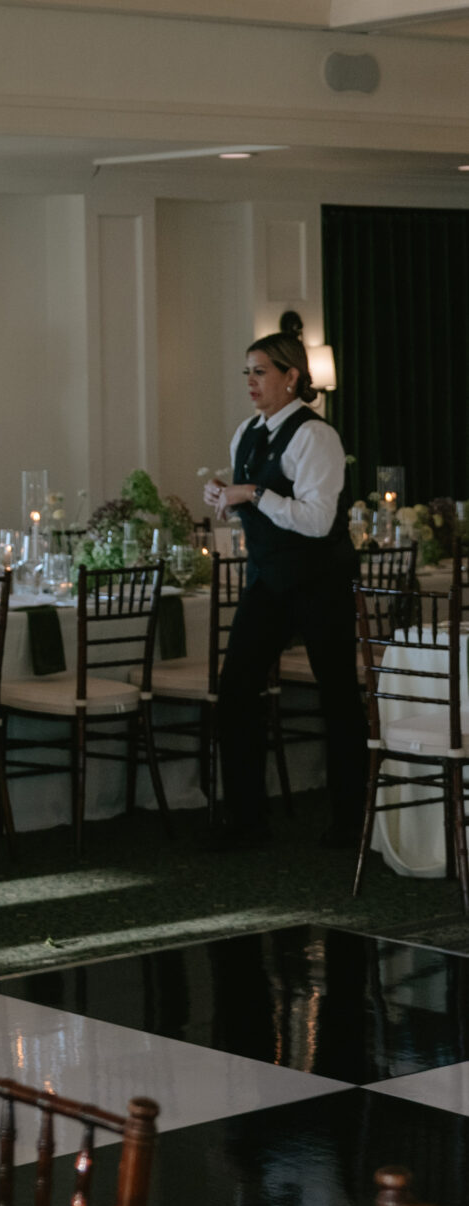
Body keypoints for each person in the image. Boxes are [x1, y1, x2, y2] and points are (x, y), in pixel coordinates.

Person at [202, 331, 362, 852]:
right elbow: (257, 510)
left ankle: (351, 821)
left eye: (260, 371)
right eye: (246, 372)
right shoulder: (246, 433)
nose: (250, 382)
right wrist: (227, 498)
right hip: (268, 579)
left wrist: (253, 492)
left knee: (337, 695)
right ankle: (247, 821)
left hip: (319, 580)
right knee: (235, 691)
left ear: (291, 376)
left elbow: (317, 522)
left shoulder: (316, 437)